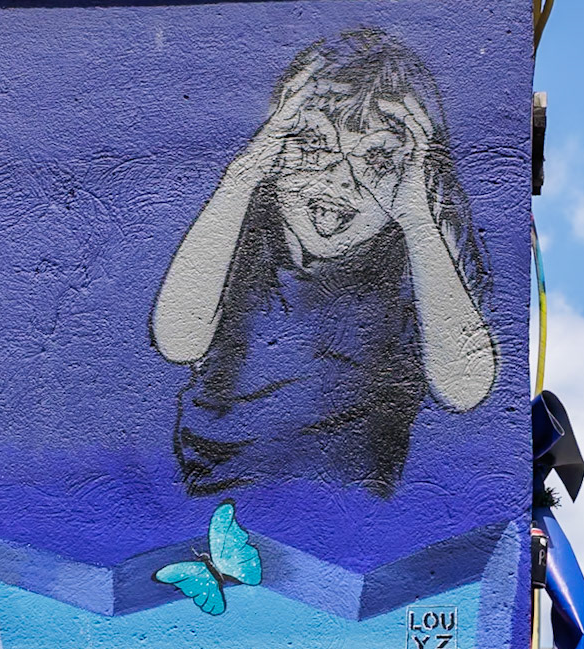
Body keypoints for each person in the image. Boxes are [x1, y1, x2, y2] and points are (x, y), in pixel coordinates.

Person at [152, 27, 497, 499]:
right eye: (313, 145)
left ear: (413, 173)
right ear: (276, 148)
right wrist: (243, 177)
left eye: (376, 159)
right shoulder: (243, 229)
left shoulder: (421, 261)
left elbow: (464, 387)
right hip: (212, 500)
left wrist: (417, 217)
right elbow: (178, 339)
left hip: (354, 514)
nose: (340, 179)